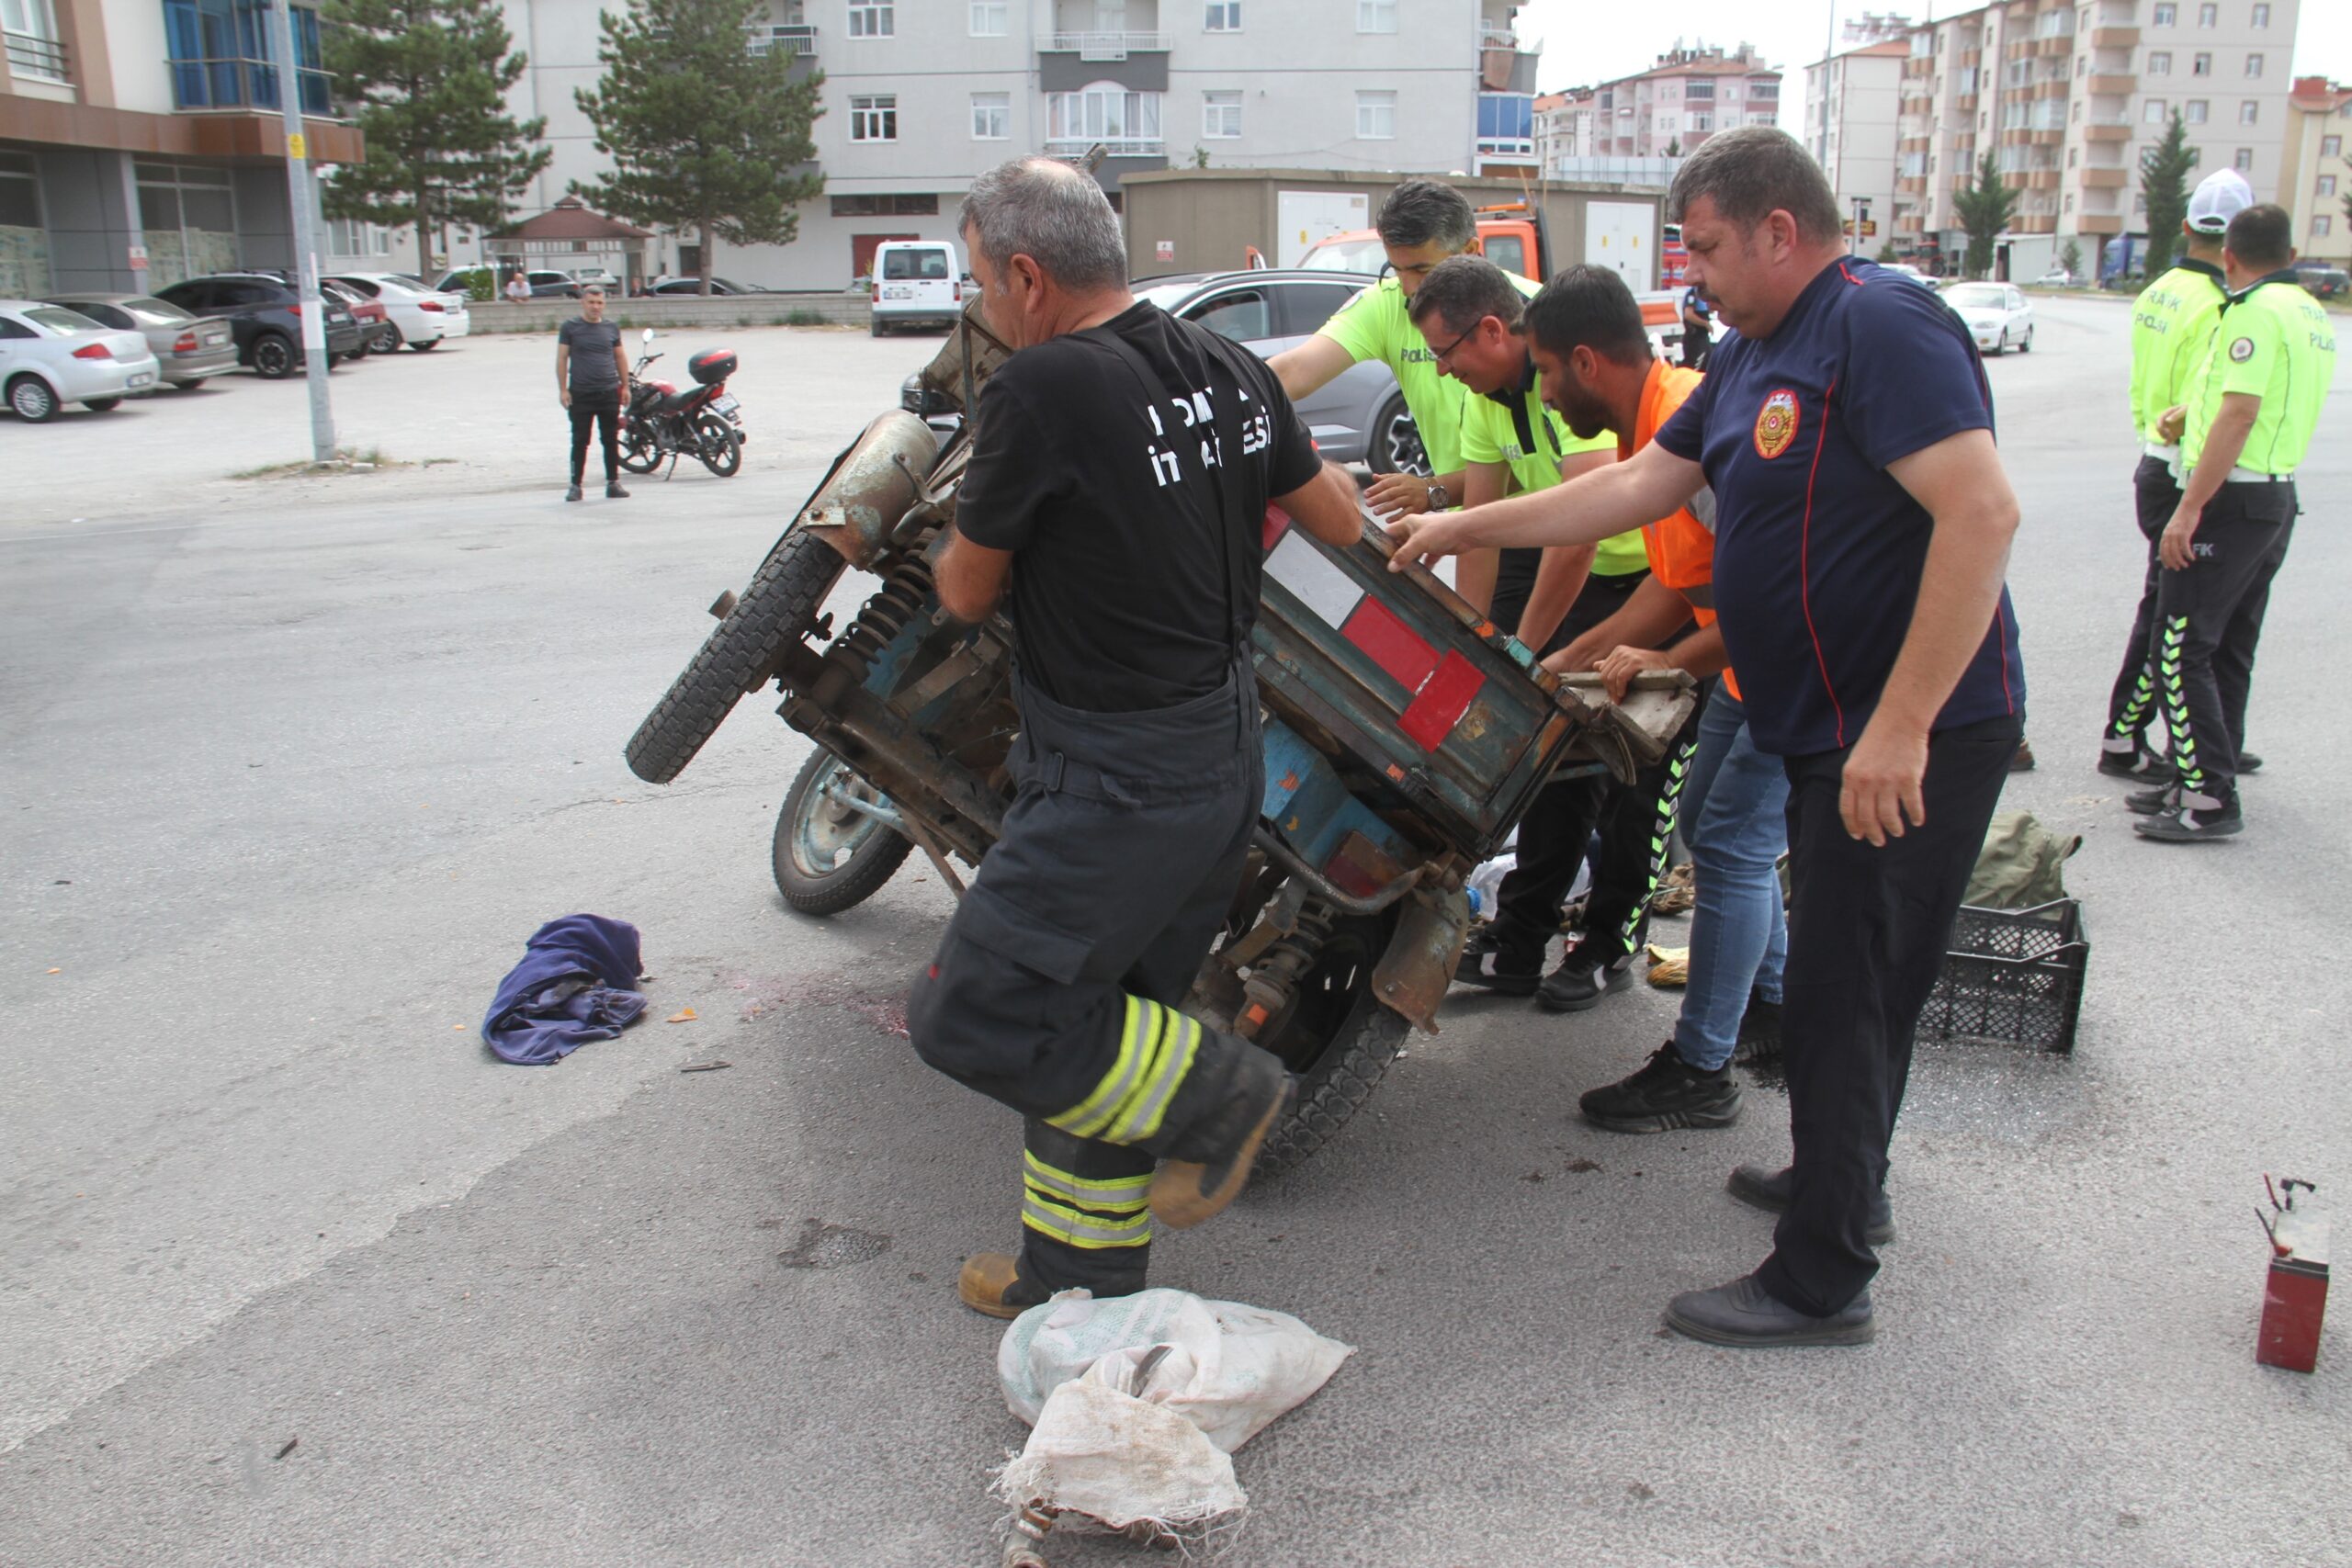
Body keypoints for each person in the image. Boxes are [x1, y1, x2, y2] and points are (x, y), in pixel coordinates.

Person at [1390, 127, 2024, 1347]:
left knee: (1848, 986)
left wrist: (1902, 723)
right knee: (1859, 976)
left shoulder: (1879, 325)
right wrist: (1462, 530)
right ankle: (1848, 1176)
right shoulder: (1750, 352)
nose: (1697, 277)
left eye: (1713, 248)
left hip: (1906, 731)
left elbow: (1983, 512)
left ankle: (1821, 1273)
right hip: (1825, 723)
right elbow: (1631, 491)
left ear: (1782, 230)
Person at [904, 158, 1366, 1319]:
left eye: (980, 285)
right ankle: (1078, 1282)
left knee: (976, 1007)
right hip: (1221, 756)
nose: (983, 310)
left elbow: (963, 593)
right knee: (1105, 1022)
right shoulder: (1228, 367)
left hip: (1113, 777)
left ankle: (1222, 1099)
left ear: (1025, 274)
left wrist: (956, 529)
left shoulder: (1041, 389)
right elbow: (1335, 519)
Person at [1503, 264, 1788, 1137]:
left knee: (1733, 848)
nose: (1546, 396)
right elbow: (1673, 590)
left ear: (1586, 362)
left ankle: (1701, 1067)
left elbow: (1759, 607)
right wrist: (1557, 661)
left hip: (1794, 664)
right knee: (1710, 824)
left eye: (1547, 372)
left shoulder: (1687, 423)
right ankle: (1774, 1007)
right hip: (1749, 667)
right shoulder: (1658, 422)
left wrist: (1659, 656)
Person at [1405, 256, 1695, 1013]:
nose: (1443, 372)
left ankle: (1608, 941)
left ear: (1494, 331)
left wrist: (1528, 653)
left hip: (1644, 579)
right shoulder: (1485, 398)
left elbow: (1583, 529)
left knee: (1639, 776)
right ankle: (1522, 934)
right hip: (1627, 588)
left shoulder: (1593, 387)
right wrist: (1489, 643)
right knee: (1557, 763)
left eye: (1447, 353)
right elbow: (1485, 538)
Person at [2129, 203, 2335, 842]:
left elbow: (2241, 412)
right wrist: (2193, 410)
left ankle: (2207, 796)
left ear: (2230, 257)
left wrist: (2189, 508)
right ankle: (2202, 773)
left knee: (2179, 646)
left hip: (2230, 497)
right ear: (2291, 251)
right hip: (2274, 497)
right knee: (2228, 646)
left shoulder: (2250, 311)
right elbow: (2258, 398)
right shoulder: (2309, 312)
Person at [1266, 179, 1541, 615]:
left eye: (1423, 272)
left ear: (1471, 252)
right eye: (1396, 270)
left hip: (1546, 524)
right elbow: (1293, 370)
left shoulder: (1529, 313)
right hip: (1479, 526)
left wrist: (1435, 492)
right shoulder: (1387, 302)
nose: (1411, 289)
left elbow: (1545, 468)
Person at [2101, 169, 2254, 782]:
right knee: (2170, 617)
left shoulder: (2158, 291)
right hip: (2183, 465)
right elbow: (2208, 396)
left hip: (2150, 460)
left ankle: (2134, 734)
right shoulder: (2222, 305)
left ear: (2185, 226)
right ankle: (2126, 734)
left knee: (2161, 605)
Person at [555, 286, 630, 502]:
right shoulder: (570, 328)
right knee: (580, 441)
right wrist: (563, 389)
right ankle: (575, 485)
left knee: (610, 439)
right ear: (583, 303)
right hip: (581, 393)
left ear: (604, 304)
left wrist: (624, 386)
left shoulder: (611, 328)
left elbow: (620, 357)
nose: (595, 307)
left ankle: (613, 483)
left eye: (599, 303)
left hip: (608, 392)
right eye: (591, 303)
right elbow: (562, 359)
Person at [1679, 283, 1713, 369]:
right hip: (1694, 338)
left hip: (1703, 337)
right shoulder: (1692, 293)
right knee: (1694, 367)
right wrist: (1705, 323)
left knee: (1709, 363)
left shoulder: (1703, 294)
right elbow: (1688, 314)